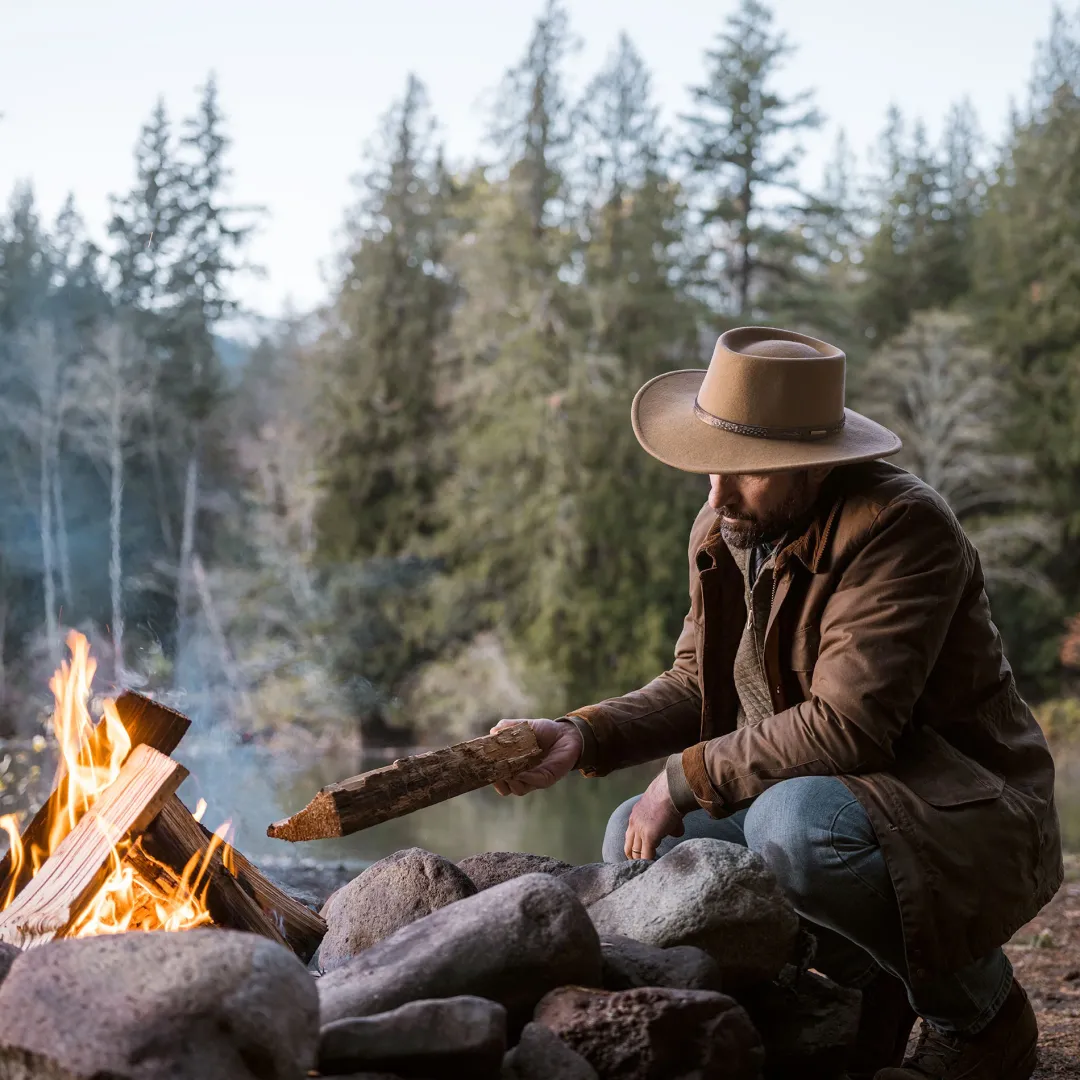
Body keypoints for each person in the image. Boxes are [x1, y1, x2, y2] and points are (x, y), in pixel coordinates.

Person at [493, 326, 1062, 1080]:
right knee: (641, 844)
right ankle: (873, 989)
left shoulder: (903, 530)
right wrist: (581, 734)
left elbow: (848, 724)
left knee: (793, 829)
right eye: (711, 469)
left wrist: (680, 779)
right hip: (835, 790)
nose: (720, 495)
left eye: (748, 472)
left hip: (961, 805)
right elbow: (697, 683)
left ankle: (986, 1019)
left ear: (814, 466)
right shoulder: (730, 525)